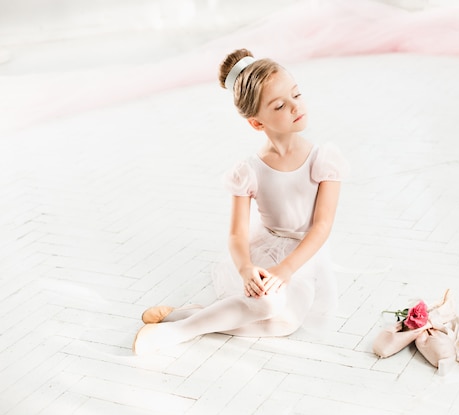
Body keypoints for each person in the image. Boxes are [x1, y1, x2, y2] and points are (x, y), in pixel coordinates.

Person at [132, 48, 348, 355]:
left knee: (284, 322)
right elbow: (236, 234)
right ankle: (174, 334)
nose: (295, 107)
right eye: (279, 105)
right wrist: (246, 269)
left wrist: (286, 270)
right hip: (267, 251)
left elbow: (322, 226)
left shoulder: (323, 158)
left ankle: (187, 317)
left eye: (296, 95)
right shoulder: (248, 171)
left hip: (303, 257)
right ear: (257, 123)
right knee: (268, 303)